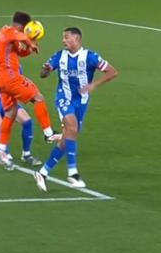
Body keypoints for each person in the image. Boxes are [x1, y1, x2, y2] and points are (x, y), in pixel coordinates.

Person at [34, 27, 118, 190]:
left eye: (66, 37)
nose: (63, 40)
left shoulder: (90, 56)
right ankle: (73, 173)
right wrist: (45, 70)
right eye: (63, 38)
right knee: (71, 128)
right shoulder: (59, 56)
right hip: (64, 98)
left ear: (77, 38)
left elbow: (112, 72)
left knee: (68, 139)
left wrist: (94, 84)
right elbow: (43, 74)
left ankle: (43, 172)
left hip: (82, 101)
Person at [0, 12, 60, 170]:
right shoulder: (8, 31)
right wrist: (29, 41)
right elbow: (21, 38)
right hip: (11, 77)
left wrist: (31, 46)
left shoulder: (11, 37)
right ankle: (49, 133)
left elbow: (20, 51)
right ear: (22, 26)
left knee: (11, 113)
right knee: (38, 97)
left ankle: (2, 149)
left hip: (2, 81)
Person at [0, 54, 42, 165]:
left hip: (7, 100)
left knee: (27, 121)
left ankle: (27, 154)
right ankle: (6, 155)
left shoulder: (17, 65)